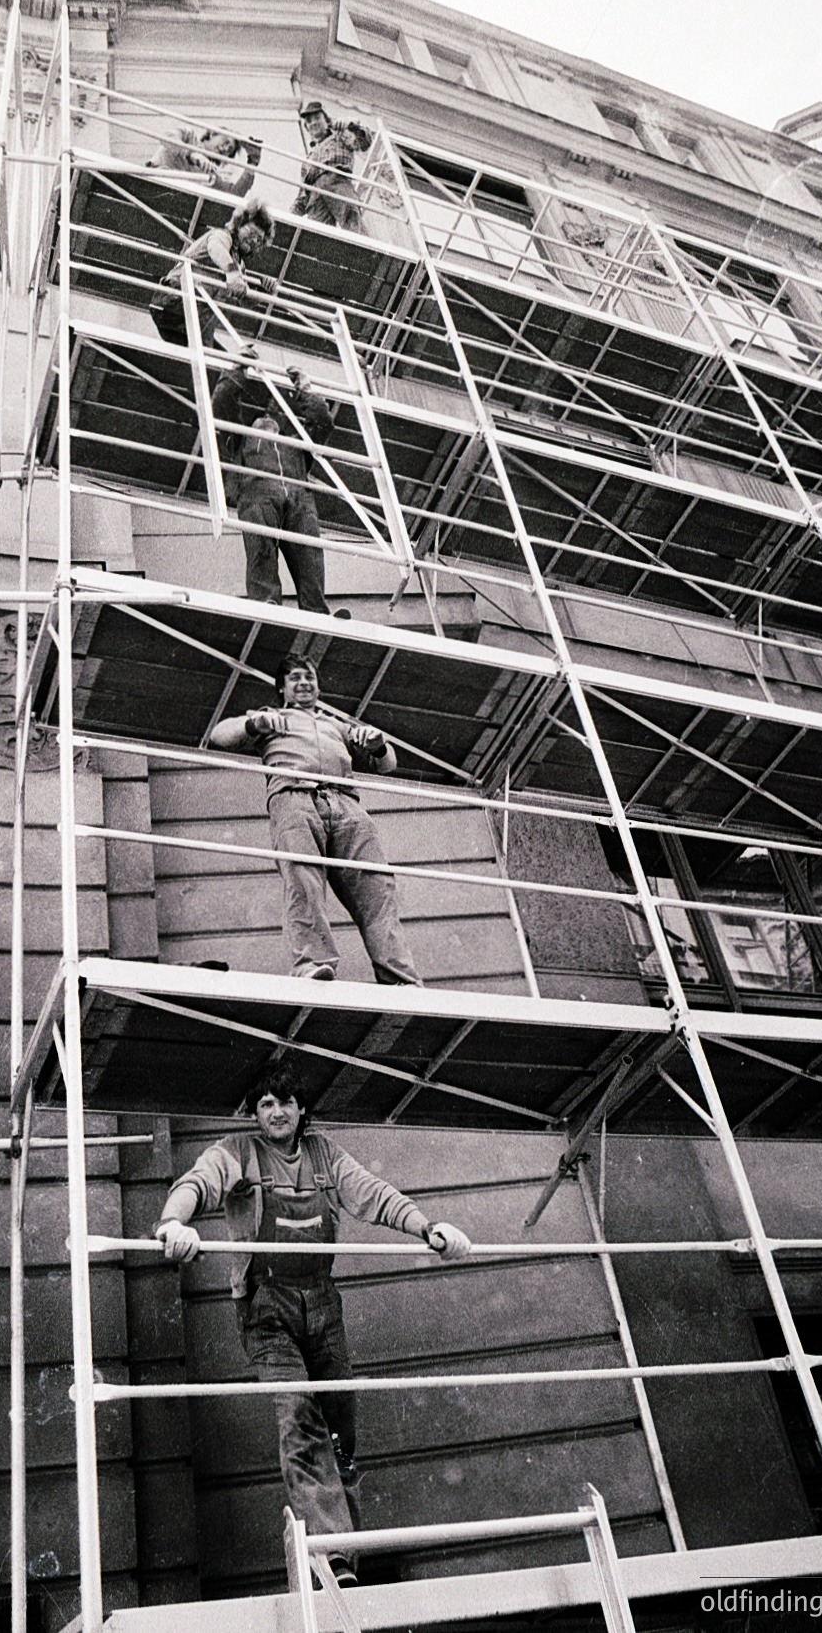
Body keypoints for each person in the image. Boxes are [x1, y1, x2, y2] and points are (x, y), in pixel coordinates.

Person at [156, 1072, 473, 1585]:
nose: (276, 1112)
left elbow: (373, 1194)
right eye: (265, 1104)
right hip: (266, 1310)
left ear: (302, 1109)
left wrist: (427, 1227)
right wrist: (174, 1223)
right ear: (254, 1114)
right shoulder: (239, 1151)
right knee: (299, 1416)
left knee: (341, 1430)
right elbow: (199, 1181)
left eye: (286, 1102)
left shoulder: (325, 1155)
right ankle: (330, 1556)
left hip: (323, 1306)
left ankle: (346, 1558)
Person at [208, 652, 422, 985]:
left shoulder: (335, 724)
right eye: (295, 677)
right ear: (282, 688)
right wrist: (255, 724)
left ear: (318, 687)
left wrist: (379, 745)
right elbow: (220, 735)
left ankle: (400, 978)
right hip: (294, 797)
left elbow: (387, 764)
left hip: (346, 803)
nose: (304, 682)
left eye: (309, 677)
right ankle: (312, 965)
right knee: (303, 881)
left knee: (377, 889)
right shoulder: (272, 717)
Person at [210, 359, 333, 615]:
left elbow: (322, 421)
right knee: (261, 549)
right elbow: (222, 403)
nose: (266, 418)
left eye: (271, 419)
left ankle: (315, 610)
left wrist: (304, 388)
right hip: (257, 494)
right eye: (260, 419)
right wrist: (237, 368)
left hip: (299, 499)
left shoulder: (296, 444)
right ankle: (266, 602)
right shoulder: (240, 439)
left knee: (309, 556)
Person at [150, 199, 275, 349]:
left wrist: (264, 291)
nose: (254, 240)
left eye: (259, 240)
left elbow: (242, 299)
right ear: (239, 225)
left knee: (217, 358)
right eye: (252, 232)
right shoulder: (222, 236)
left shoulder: (238, 265)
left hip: (192, 319)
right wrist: (232, 274)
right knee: (211, 353)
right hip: (173, 300)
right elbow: (216, 248)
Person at [291, 101, 373, 231]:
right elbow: (303, 194)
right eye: (309, 121)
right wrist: (289, 216)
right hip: (315, 196)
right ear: (306, 127)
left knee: (350, 219)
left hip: (337, 181)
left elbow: (364, 143)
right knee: (317, 233)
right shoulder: (308, 159)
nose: (313, 123)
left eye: (317, 117)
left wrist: (352, 126)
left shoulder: (340, 136)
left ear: (327, 120)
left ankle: (363, 243)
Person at [146, 128, 262, 201]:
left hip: (175, 202)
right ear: (212, 134)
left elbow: (233, 194)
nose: (226, 148)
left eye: (230, 150)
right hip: (153, 184)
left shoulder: (212, 173)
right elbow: (166, 136)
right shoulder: (189, 136)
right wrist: (192, 154)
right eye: (226, 141)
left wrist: (253, 161)